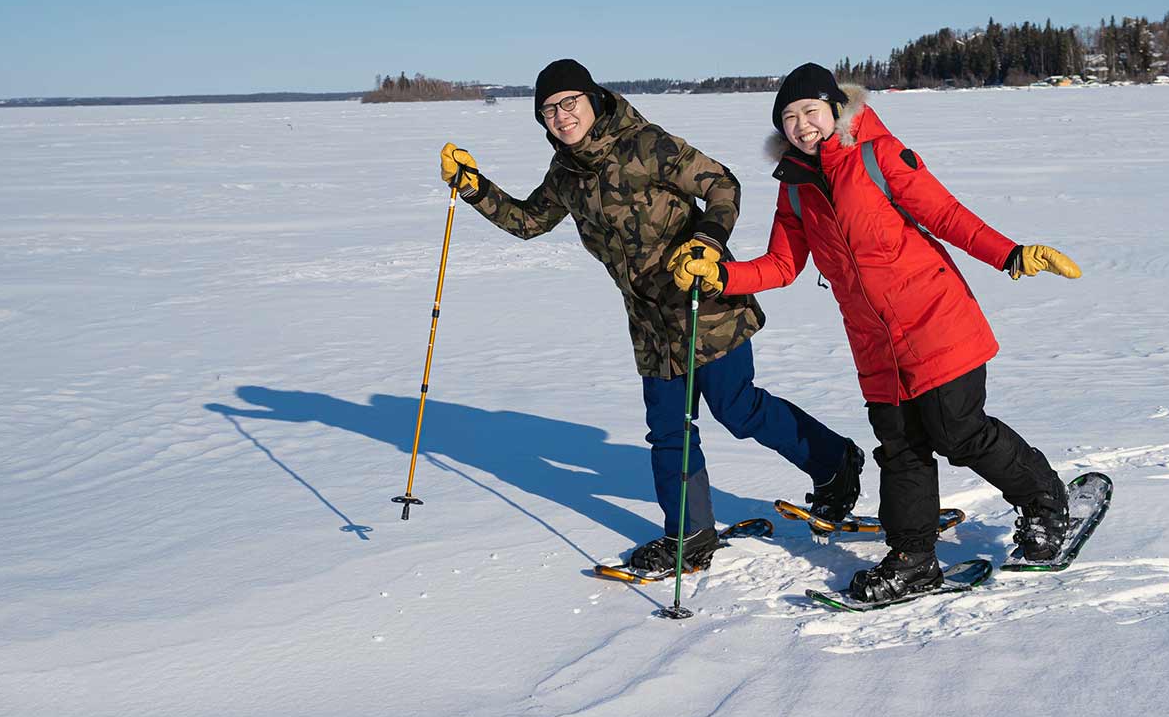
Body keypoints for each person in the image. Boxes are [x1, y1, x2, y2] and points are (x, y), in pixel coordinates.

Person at [674, 62, 1081, 602]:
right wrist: (723, 275)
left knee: (956, 429)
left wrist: (1010, 254)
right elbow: (781, 264)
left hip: (936, 320)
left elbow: (947, 215)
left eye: (811, 111)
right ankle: (913, 558)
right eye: (790, 117)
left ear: (835, 109)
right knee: (900, 446)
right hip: (875, 343)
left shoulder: (878, 155)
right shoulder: (795, 187)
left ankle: (1045, 502)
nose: (802, 125)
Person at [439, 58, 864, 573]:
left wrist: (707, 241)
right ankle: (691, 534)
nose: (561, 115)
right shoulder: (566, 174)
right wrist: (474, 187)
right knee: (668, 429)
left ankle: (835, 461)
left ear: (592, 100)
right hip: (649, 321)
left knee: (738, 408)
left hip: (703, 300)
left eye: (569, 102)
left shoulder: (645, 144)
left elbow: (722, 184)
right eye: (548, 109)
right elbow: (530, 222)